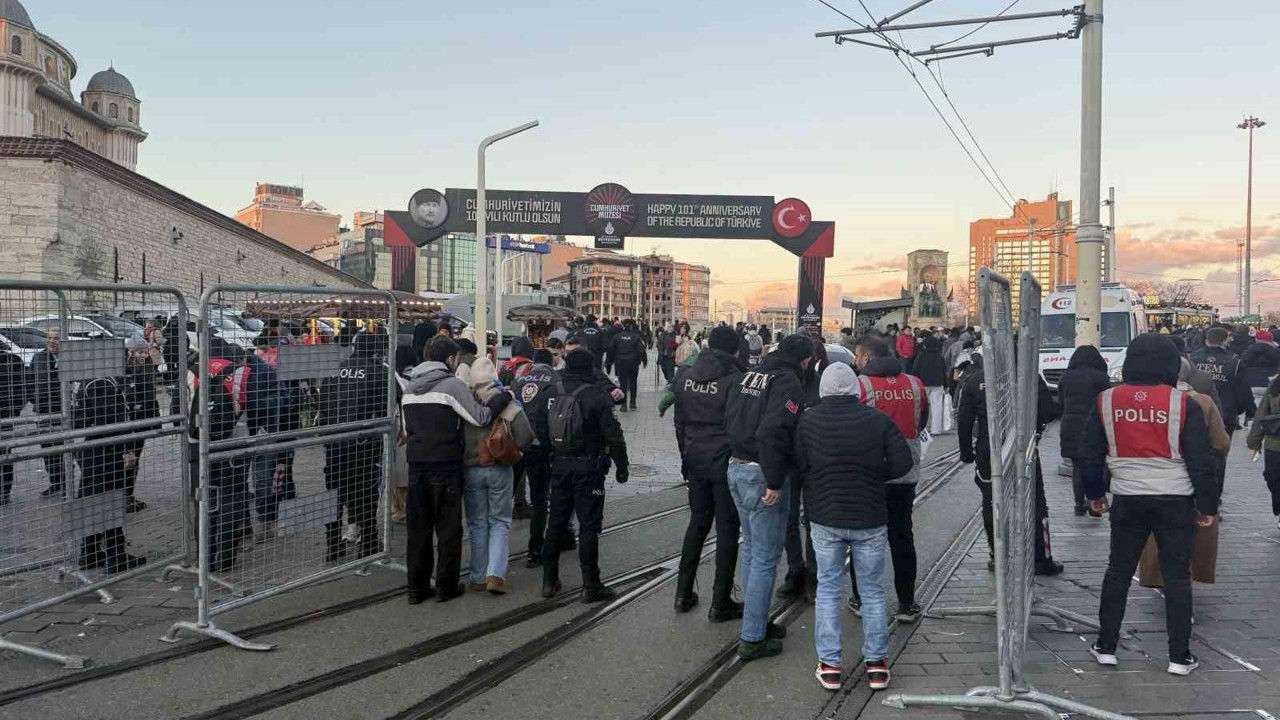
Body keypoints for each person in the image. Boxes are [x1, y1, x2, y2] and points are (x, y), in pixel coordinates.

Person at [1076, 334, 1218, 676]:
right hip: (1176, 500)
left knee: (1118, 571)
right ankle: (1179, 657)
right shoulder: (1185, 404)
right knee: (1177, 577)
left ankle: (1106, 646)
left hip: (1127, 499)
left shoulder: (1106, 400)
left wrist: (1096, 495)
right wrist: (1207, 506)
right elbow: (1201, 461)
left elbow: (1089, 455)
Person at [798, 363, 913, 691]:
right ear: (855, 389)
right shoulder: (878, 420)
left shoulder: (808, 421)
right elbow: (904, 462)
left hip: (826, 516)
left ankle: (830, 665)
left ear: (823, 389)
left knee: (829, 589)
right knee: (873, 590)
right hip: (870, 516)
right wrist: (876, 477)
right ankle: (877, 665)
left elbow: (799, 461)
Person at [401, 337, 512, 604]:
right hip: (445, 465)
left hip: (416, 466)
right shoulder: (451, 385)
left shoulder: (408, 389)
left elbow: (406, 431)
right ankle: (445, 587)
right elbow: (480, 417)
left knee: (419, 530)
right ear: (450, 360)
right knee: (448, 529)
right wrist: (503, 397)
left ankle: (416, 589)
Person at [724, 334, 812, 662]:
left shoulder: (750, 373)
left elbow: (729, 417)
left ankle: (756, 620)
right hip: (762, 474)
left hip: (736, 466)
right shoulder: (787, 381)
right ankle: (752, 638)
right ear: (804, 361)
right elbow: (774, 432)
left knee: (751, 551)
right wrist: (775, 481)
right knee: (764, 557)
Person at [533, 348, 629, 602]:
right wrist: (622, 466)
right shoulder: (595, 395)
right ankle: (591, 583)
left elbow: (540, 429)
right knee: (588, 527)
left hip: (559, 467)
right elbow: (613, 435)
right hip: (589, 468)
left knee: (556, 522)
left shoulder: (551, 393)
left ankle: (549, 580)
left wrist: (549, 458)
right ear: (589, 368)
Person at [956, 349, 1064, 575]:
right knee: (1035, 501)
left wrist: (966, 452)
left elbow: (964, 421)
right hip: (1023, 448)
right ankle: (1042, 558)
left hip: (990, 450)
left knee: (993, 501)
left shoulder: (976, 380)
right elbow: (1048, 411)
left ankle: (998, 555)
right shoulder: (1030, 377)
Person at [848, 335, 927, 622]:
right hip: (906, 472)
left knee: (864, 538)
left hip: (869, 475)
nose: (855, 362)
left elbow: (852, 427)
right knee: (902, 536)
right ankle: (906, 603)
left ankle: (860, 598)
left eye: (857, 357)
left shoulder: (860, 385)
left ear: (866, 358)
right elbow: (923, 422)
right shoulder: (915, 384)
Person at [672, 326, 745, 620]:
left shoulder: (685, 377)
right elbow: (740, 426)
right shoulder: (735, 380)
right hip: (724, 461)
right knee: (728, 529)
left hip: (695, 458)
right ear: (734, 350)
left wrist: (686, 455)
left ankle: (682, 592)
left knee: (697, 525)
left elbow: (679, 423)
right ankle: (721, 600)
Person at [460, 357, 534, 595]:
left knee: (477, 523)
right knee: (499, 522)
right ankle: (496, 576)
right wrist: (515, 451)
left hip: (471, 470)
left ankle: (478, 577)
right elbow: (526, 435)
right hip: (500, 469)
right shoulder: (506, 402)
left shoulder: (464, 402)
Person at [319, 330, 389, 563]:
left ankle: (332, 545)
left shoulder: (334, 370)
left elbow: (324, 406)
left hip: (334, 443)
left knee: (334, 495)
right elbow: (383, 411)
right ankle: (368, 541)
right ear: (376, 351)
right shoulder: (378, 372)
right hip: (364, 444)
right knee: (365, 492)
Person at [74, 369, 146, 573]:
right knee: (108, 501)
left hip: (94, 450)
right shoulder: (101, 383)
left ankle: (90, 553)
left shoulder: (91, 379)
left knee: (95, 502)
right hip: (103, 452)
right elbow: (109, 420)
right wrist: (126, 450)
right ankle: (116, 556)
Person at [1191, 326, 1255, 502]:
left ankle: (1195, 491)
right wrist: (1246, 411)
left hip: (1194, 413)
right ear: (1225, 340)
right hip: (1224, 415)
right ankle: (1214, 494)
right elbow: (1243, 391)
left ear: (1206, 339)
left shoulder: (1192, 359)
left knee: (1194, 452)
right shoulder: (1234, 362)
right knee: (1219, 456)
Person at [514, 349, 559, 567]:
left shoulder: (519, 380)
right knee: (541, 499)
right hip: (542, 446)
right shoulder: (555, 381)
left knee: (507, 499)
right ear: (551, 362)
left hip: (518, 445)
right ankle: (536, 549)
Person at [1057, 346, 1112, 516]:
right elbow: (1106, 402)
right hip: (1095, 426)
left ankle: (1078, 503)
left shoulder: (1066, 378)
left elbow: (1061, 403)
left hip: (1070, 426)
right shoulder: (1101, 378)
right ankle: (1095, 502)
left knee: (1078, 466)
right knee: (1097, 464)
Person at [500, 336, 538, 520]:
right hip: (521, 417)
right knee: (521, 461)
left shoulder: (504, 366)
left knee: (511, 459)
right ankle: (520, 503)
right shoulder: (529, 367)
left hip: (503, 418)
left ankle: (511, 500)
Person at [121, 337, 159, 513]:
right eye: (139, 352)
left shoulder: (147, 369)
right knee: (127, 460)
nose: (143, 355)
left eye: (145, 351)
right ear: (131, 352)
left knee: (134, 461)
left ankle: (128, 495)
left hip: (141, 424)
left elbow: (151, 399)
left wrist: (154, 423)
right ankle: (123, 497)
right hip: (128, 424)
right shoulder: (126, 372)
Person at [29, 327, 65, 497]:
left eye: (56, 338)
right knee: (47, 448)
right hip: (44, 410)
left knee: (64, 447)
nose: (52, 341)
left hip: (64, 410)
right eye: (49, 338)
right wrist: (34, 400)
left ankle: (67, 483)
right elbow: (29, 382)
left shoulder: (69, 358)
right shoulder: (38, 358)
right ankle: (56, 482)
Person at [1247, 371, 1280, 529]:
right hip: (1274, 443)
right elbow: (1262, 413)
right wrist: (1255, 442)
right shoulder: (1275, 384)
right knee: (1272, 477)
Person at [909, 330, 948, 435]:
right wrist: (946, 384)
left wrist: (913, 382)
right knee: (937, 407)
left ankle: (922, 428)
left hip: (923, 384)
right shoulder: (939, 357)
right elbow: (944, 371)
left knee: (921, 407)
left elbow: (915, 370)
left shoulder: (921, 356)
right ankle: (936, 429)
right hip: (937, 384)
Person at [0, 344, 25, 506]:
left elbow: (23, 388)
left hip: (5, 415)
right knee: (5, 453)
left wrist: (15, 409)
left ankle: (3, 492)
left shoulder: (12, 360)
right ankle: (4, 493)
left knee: (5, 454)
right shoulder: (13, 360)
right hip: (6, 414)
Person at [606, 319, 647, 411]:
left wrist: (609, 362)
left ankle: (623, 405)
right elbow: (642, 350)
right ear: (632, 326)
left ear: (623, 326)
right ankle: (633, 403)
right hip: (633, 362)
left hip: (621, 362)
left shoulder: (617, 337)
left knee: (623, 383)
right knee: (633, 382)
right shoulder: (636, 337)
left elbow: (610, 349)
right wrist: (645, 362)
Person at [1240, 330, 1280, 409]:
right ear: (1271, 340)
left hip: (1249, 383)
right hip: (1269, 383)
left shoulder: (1247, 351)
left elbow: (1242, 366)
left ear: (1256, 339)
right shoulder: (1276, 352)